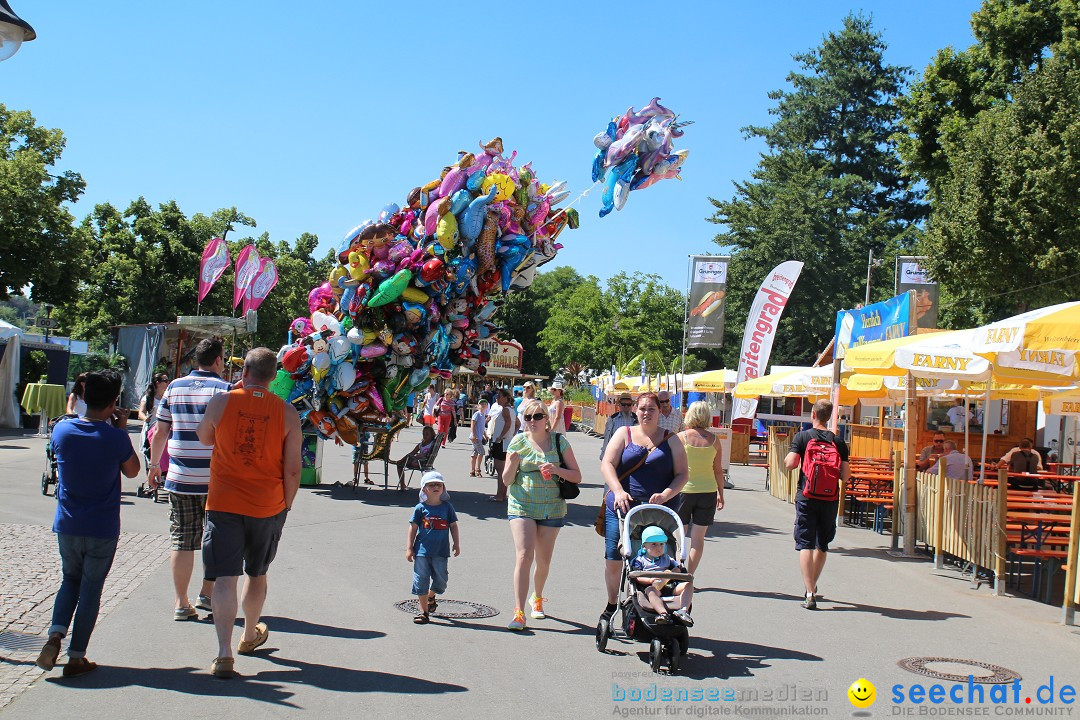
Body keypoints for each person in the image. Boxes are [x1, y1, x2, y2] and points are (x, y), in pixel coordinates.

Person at [195, 347, 302, 679]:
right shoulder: (286, 413)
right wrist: (286, 503)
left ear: (244, 372)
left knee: (225, 577)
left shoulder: (221, 402)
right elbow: (294, 469)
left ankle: (224, 653)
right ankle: (249, 634)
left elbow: (203, 438)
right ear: (273, 378)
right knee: (257, 573)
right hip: (267, 505)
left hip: (224, 502)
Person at [36, 370, 142, 678]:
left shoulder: (62, 431)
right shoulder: (115, 437)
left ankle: (55, 634)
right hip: (101, 526)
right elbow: (133, 471)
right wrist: (121, 428)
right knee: (91, 589)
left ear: (83, 398)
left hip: (67, 522)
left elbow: (67, 440)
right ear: (113, 402)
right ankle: (77, 656)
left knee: (69, 579)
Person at [148, 337, 232, 620]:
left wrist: (154, 466)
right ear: (218, 360)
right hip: (215, 481)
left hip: (180, 477)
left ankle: (181, 603)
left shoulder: (174, 386)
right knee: (216, 540)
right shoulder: (225, 390)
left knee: (182, 541)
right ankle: (206, 594)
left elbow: (160, 432)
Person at [598, 392, 688, 623]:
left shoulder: (672, 439)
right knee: (615, 558)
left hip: (659, 510)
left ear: (660, 412)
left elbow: (682, 475)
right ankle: (612, 603)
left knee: (662, 557)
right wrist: (618, 490)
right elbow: (607, 463)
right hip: (623, 506)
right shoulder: (624, 433)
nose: (646, 413)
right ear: (635, 411)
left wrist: (667, 494)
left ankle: (656, 600)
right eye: (642, 409)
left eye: (651, 409)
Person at [502, 398, 582, 630]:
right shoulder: (517, 442)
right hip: (521, 505)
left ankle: (537, 598)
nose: (532, 421)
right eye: (528, 417)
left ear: (547, 419)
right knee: (524, 556)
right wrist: (511, 464)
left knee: (543, 561)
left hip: (552, 507)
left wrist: (556, 469)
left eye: (538, 416)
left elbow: (577, 476)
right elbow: (507, 481)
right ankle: (519, 613)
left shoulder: (559, 442)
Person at [784, 399, 850, 610]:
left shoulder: (803, 437)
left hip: (806, 497)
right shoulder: (839, 443)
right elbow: (846, 475)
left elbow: (791, 464)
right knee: (822, 544)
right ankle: (812, 586)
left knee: (805, 543)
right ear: (830, 416)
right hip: (830, 499)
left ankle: (809, 592)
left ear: (813, 414)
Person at [676, 401, 725, 575]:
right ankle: (689, 574)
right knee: (698, 539)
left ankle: (676, 573)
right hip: (708, 492)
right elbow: (718, 470)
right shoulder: (714, 440)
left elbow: (673, 466)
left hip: (683, 491)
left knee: (679, 536)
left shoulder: (681, 437)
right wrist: (721, 493)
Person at [407, 472, 460, 625]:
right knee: (421, 579)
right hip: (422, 551)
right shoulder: (420, 508)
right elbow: (413, 528)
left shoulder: (447, 507)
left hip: (441, 551)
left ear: (443, 488)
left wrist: (456, 543)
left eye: (439, 484)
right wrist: (409, 548)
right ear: (424, 489)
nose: (436, 487)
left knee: (441, 580)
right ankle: (423, 612)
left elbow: (453, 526)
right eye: (431, 485)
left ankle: (431, 595)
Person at [630, 526, 694, 626]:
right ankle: (663, 614)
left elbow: (678, 568)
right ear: (644, 546)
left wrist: (673, 572)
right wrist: (650, 580)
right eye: (654, 544)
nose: (659, 548)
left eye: (661, 544)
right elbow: (637, 576)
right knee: (651, 591)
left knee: (688, 584)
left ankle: (683, 610)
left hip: (669, 586)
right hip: (653, 588)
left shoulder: (667, 558)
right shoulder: (640, 560)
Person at [486, 388, 513, 502]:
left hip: (501, 442)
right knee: (504, 470)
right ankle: (502, 494)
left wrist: (501, 436)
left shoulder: (505, 410)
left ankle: (499, 495)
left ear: (505, 398)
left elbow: (509, 423)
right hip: (505, 442)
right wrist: (511, 434)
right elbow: (517, 423)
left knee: (500, 470)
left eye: (499, 396)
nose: (497, 398)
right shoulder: (510, 410)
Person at [392, 426, 437, 490]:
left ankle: (407, 462)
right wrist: (402, 459)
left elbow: (431, 453)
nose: (425, 436)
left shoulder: (432, 444)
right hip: (417, 460)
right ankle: (402, 484)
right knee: (401, 463)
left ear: (432, 435)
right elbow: (412, 453)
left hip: (425, 462)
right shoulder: (421, 444)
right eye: (423, 434)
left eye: (427, 434)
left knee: (413, 461)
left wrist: (424, 455)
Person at [600, 392, 638, 460]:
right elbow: (607, 437)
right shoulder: (613, 419)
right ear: (619, 405)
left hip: (632, 454)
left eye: (628, 405)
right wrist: (604, 454)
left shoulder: (637, 419)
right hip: (616, 453)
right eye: (623, 404)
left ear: (632, 405)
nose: (626, 407)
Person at [469, 399, 489, 477]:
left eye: (485, 404)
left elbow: (482, 427)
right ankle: (478, 470)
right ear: (478, 406)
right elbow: (472, 424)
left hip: (479, 437)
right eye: (481, 404)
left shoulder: (483, 415)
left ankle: (472, 471)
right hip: (476, 437)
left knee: (474, 454)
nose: (483, 405)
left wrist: (485, 435)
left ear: (487, 406)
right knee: (482, 452)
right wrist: (474, 435)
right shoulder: (477, 414)